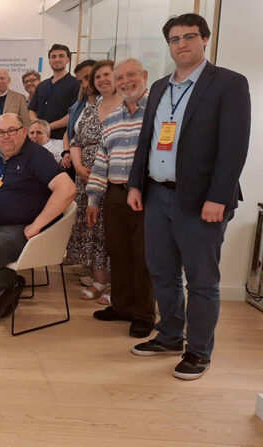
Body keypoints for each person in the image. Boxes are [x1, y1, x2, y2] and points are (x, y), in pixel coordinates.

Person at [127, 14, 250, 380]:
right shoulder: (162, 87)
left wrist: (219, 197)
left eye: (190, 36)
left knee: (201, 281)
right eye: (175, 38)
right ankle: (168, 337)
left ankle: (198, 351)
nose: (182, 43)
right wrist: (136, 184)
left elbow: (234, 149)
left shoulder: (228, 84)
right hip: (157, 196)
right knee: (162, 273)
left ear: (205, 39)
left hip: (201, 202)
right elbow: (146, 142)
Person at [0, 113, 76, 324]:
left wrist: (36, 225)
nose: (6, 136)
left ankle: (8, 284)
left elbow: (68, 189)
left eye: (12, 131)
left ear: (23, 132)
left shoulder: (37, 156)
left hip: (21, 227)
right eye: (0, 132)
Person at [84, 57, 155, 339]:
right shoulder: (112, 118)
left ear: (144, 75)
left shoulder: (157, 112)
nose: (125, 81)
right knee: (119, 253)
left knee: (143, 257)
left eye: (131, 75)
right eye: (120, 77)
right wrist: (93, 199)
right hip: (113, 194)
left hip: (146, 195)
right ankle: (122, 306)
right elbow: (102, 159)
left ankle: (143, 314)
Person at [66, 60, 119, 304]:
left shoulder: (129, 105)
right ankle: (99, 280)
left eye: (106, 75)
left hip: (114, 179)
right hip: (85, 178)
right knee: (91, 230)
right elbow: (76, 141)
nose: (101, 80)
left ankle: (116, 284)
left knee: (112, 232)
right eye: (98, 77)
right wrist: (78, 166)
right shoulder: (91, 106)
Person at [28, 44, 80, 140]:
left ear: (68, 60)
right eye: (53, 57)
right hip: (39, 138)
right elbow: (32, 110)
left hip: (62, 139)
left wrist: (47, 127)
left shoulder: (75, 84)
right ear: (49, 61)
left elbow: (74, 114)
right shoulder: (42, 85)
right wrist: (37, 125)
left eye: (61, 56)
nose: (57, 59)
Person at [61, 59, 97, 181]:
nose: (85, 84)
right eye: (81, 81)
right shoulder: (77, 106)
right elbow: (70, 133)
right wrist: (66, 152)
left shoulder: (108, 104)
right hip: (79, 169)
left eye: (88, 77)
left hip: (99, 169)